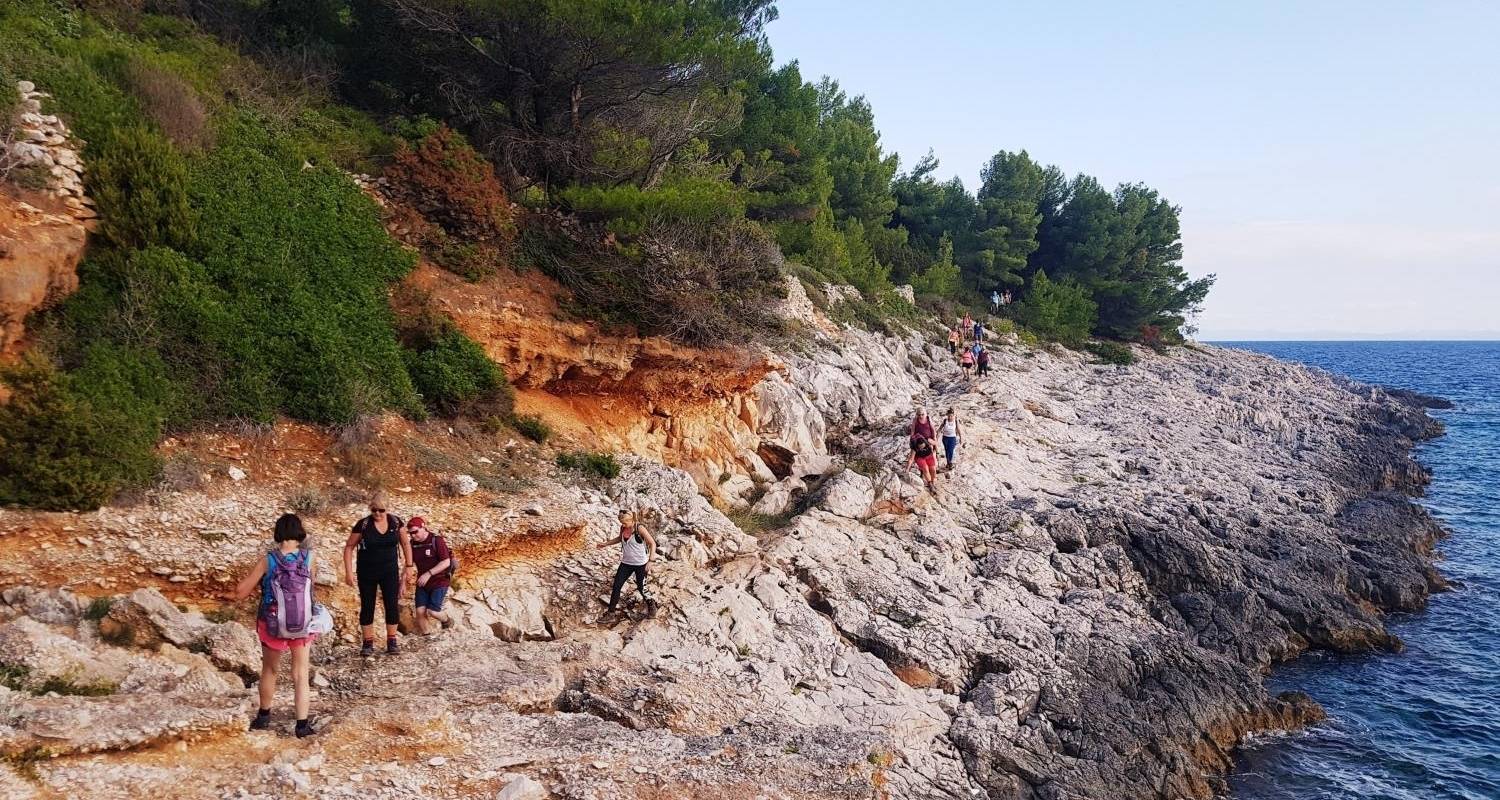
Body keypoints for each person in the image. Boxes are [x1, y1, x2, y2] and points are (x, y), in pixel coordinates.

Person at [233, 513, 317, 738]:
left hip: (272, 624)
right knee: (300, 673)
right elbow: (310, 591)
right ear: (299, 533)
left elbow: (241, 592)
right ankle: (302, 726)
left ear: (278, 533)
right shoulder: (309, 558)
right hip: (301, 623)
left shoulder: (268, 560)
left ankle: (263, 717)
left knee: (270, 670)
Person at [344, 492, 413, 656]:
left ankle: (392, 641)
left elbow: (405, 543)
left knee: (391, 605)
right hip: (366, 571)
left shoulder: (396, 523)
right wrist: (348, 572)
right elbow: (349, 547)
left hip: (389, 571)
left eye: (381, 510)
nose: (377, 513)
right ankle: (367, 643)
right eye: (374, 510)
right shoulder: (363, 524)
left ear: (387, 509)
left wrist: (409, 565)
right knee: (367, 606)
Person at [598, 509, 655, 616]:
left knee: (641, 587)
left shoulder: (640, 528)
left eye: (625, 522)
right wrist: (606, 544)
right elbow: (620, 538)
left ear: (632, 519)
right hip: (626, 563)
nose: (623, 525)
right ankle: (611, 613)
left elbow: (652, 543)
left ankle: (651, 604)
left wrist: (651, 561)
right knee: (616, 586)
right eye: (621, 523)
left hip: (640, 564)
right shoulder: (623, 528)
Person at [407, 516, 452, 635]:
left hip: (439, 580)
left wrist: (428, 573)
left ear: (423, 527)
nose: (412, 535)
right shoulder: (412, 544)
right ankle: (428, 637)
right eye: (410, 533)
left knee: (433, 611)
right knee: (420, 611)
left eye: (415, 532)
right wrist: (402, 582)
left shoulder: (436, 540)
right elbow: (408, 564)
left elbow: (446, 562)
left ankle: (447, 621)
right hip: (423, 582)